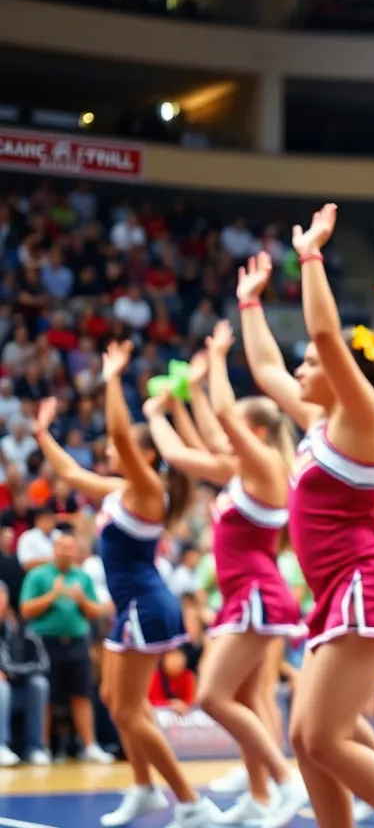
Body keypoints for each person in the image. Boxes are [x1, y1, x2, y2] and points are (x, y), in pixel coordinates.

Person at [239, 216, 374, 828]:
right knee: (308, 738)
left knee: (322, 739)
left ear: (343, 371)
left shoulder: (365, 419)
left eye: (312, 364)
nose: (300, 372)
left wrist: (311, 259)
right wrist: (249, 305)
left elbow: (325, 334)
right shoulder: (321, 422)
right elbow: (269, 372)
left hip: (364, 584)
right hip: (339, 591)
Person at [32, 353, 220, 828]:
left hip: (146, 605)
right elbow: (72, 476)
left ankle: (190, 801)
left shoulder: (149, 490)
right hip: (133, 606)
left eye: (120, 453)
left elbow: (119, 434)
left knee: (132, 711)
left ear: (145, 456)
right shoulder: (122, 490)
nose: (110, 454)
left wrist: (113, 379)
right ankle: (143, 789)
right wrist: (41, 436)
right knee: (117, 703)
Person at [141, 328, 311, 827]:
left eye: (237, 426)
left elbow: (218, 424)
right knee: (242, 698)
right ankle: (261, 797)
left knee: (213, 698)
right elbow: (189, 450)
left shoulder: (265, 469)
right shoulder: (243, 470)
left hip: (257, 594)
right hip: (248, 593)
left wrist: (215, 360)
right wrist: (175, 403)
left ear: (253, 432)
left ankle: (284, 782)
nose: (225, 432)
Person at [16, 526, 111, 768]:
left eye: (71, 549)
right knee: (46, 696)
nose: (67, 553)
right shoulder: (38, 575)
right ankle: (42, 747)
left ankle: (90, 746)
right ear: (54, 550)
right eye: (63, 548)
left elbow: (96, 611)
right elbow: (25, 609)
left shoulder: (82, 577)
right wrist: (52, 595)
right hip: (44, 643)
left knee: (82, 695)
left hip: (77, 642)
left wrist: (81, 600)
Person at [0, 580, 50, 766]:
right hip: (4, 689)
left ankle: (35, 748)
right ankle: (1, 746)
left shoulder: (21, 627)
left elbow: (43, 663)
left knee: (39, 684)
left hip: (17, 687)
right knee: (1, 686)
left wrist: (12, 672)